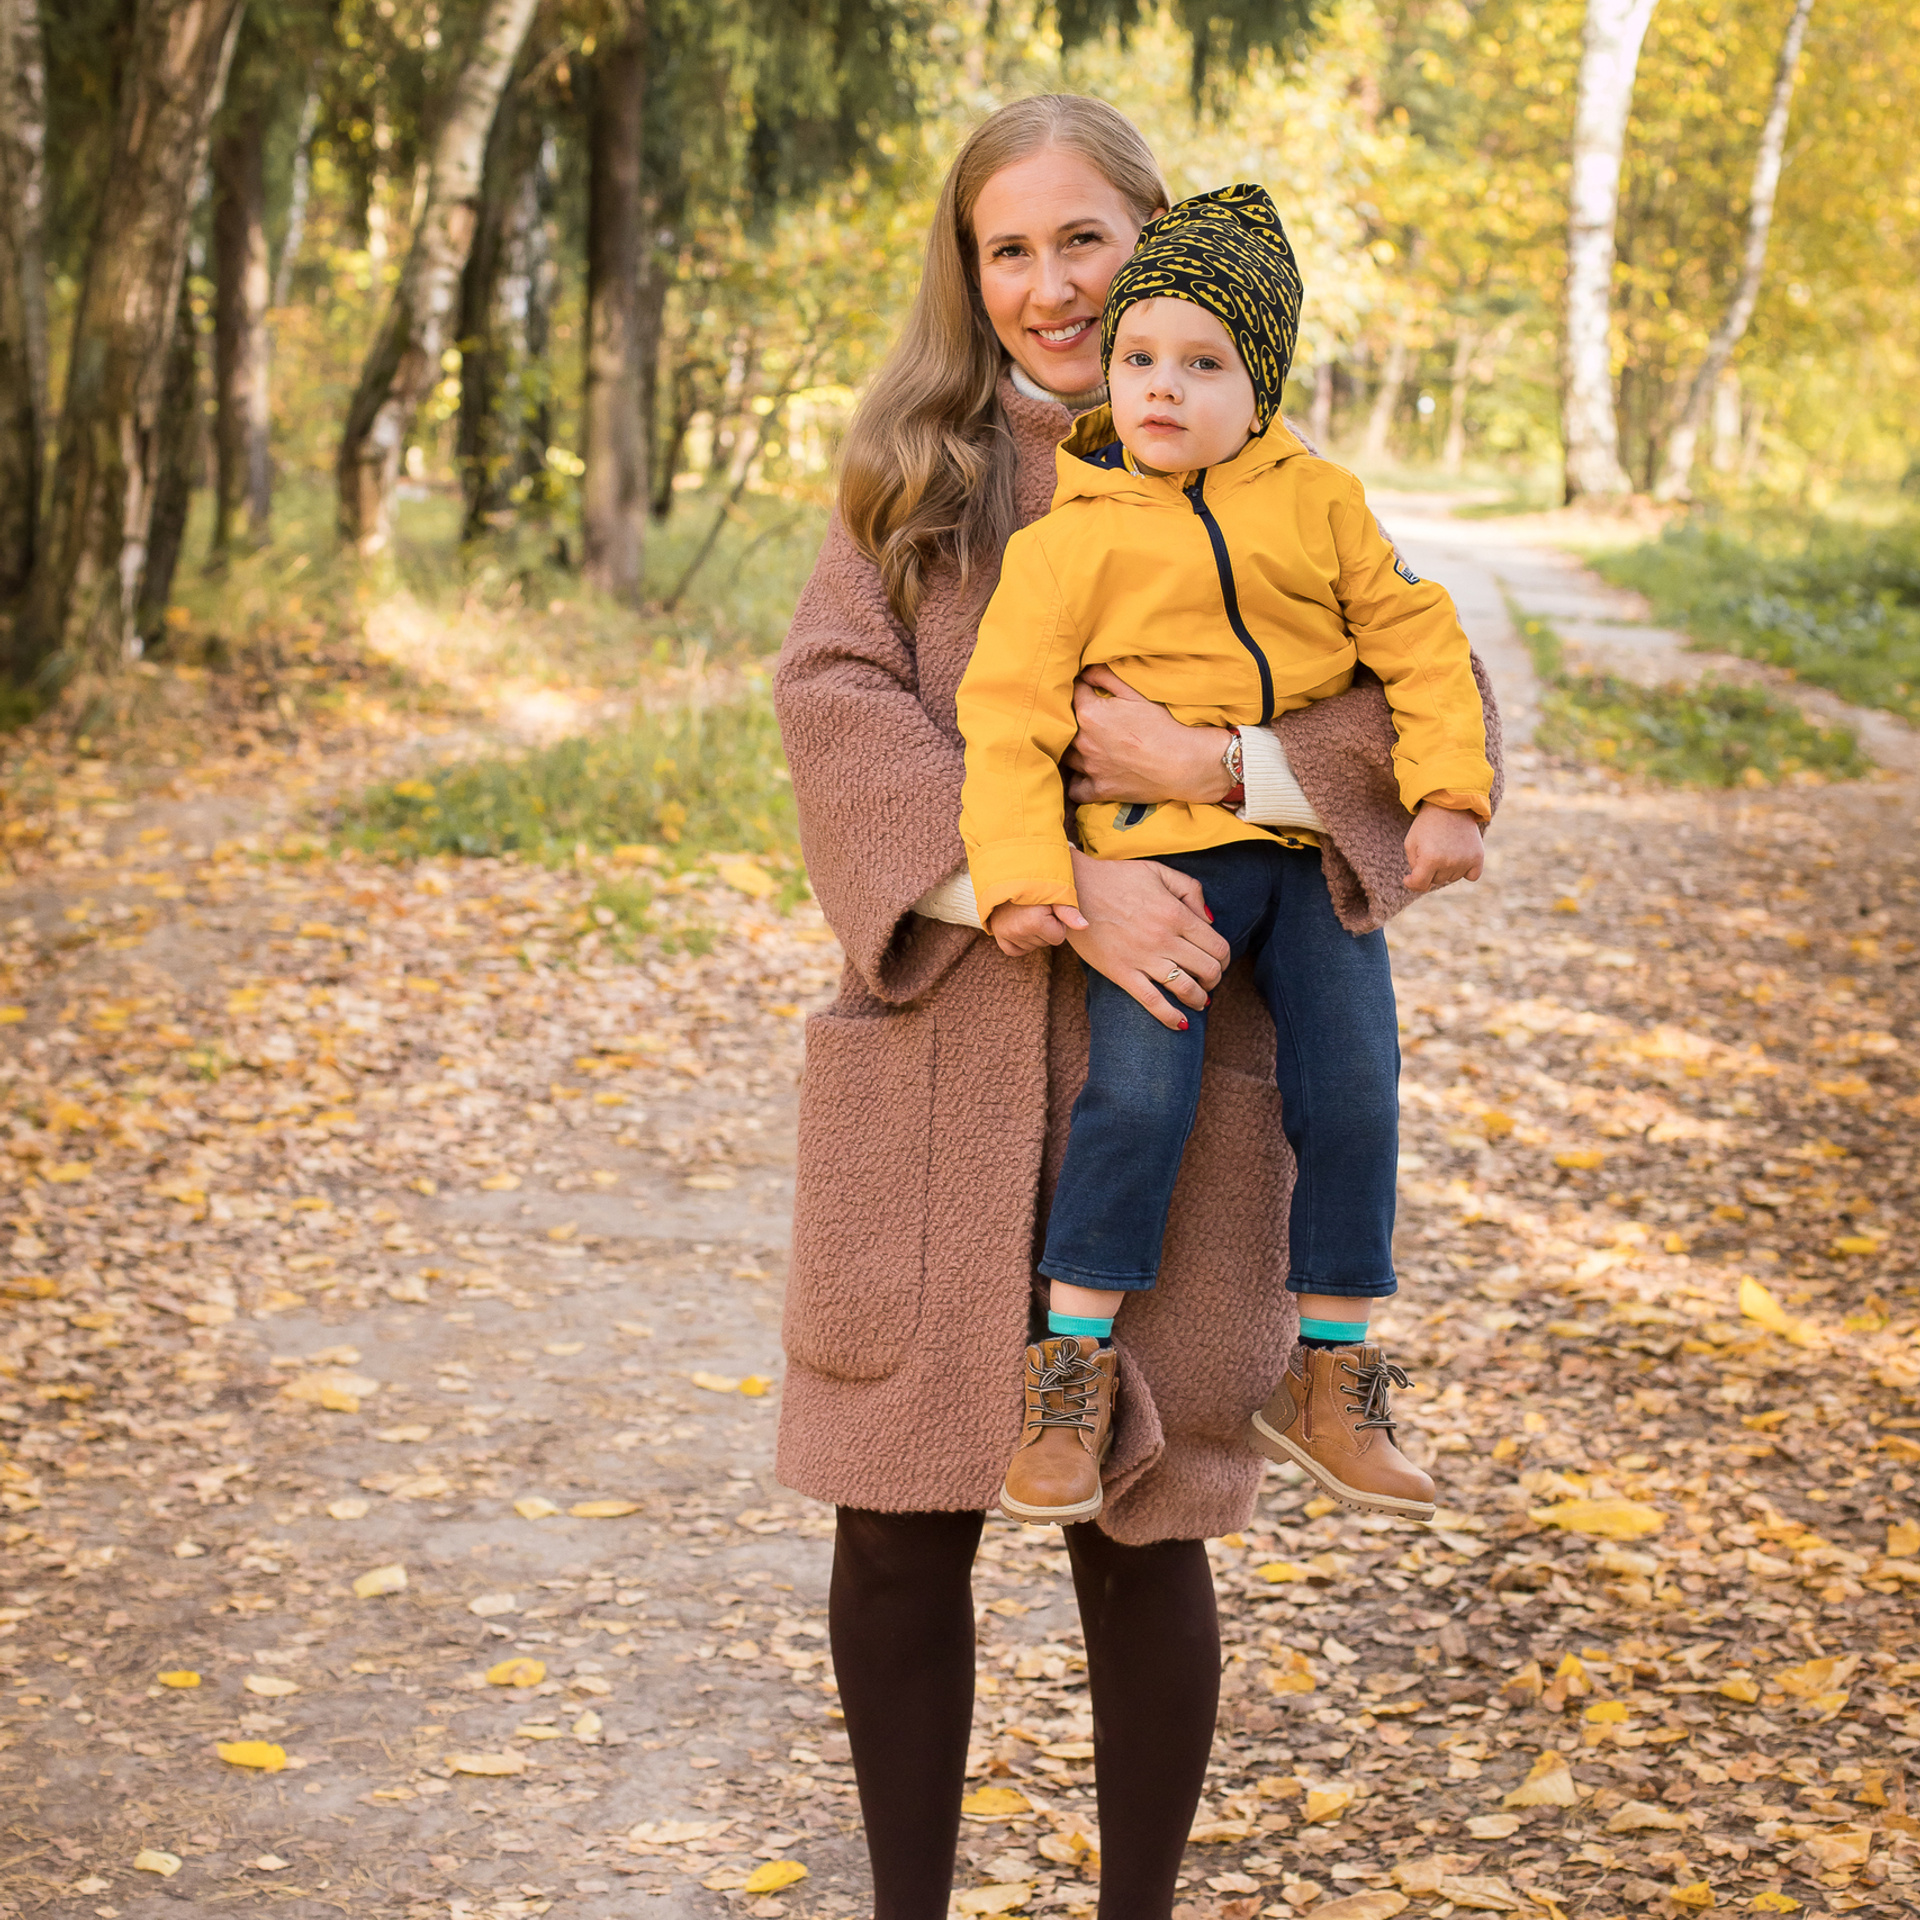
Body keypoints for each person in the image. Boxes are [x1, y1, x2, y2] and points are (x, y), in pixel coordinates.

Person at [774, 96, 1501, 1920]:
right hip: (948, 1045)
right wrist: (1051, 881)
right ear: (967, 273)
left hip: (1184, 1051)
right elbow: (835, 701)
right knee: (900, 1516)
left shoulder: (1267, 469)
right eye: (1006, 249)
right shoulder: (913, 478)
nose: (1048, 287)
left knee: (1145, 1526)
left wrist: (1226, 760)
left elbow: (1415, 697)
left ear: (1157, 242)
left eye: (1082, 240)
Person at [956, 184, 1491, 1530]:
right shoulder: (1070, 540)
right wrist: (1027, 873)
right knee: (1137, 1102)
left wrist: (1448, 795)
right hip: (1160, 875)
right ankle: (1067, 1375)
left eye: (1203, 365)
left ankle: (1333, 1376)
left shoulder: (1321, 506)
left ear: (1261, 389)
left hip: (1306, 869)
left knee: (1359, 1091)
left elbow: (1420, 647)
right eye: (1140, 359)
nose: (1160, 389)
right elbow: (1006, 717)